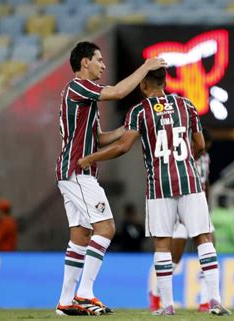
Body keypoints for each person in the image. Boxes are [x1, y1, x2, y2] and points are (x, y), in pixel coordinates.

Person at [77, 67, 231, 316]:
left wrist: (90, 158)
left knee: (162, 243)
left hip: (159, 185)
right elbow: (200, 144)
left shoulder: (139, 111)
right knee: (203, 238)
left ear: (143, 85)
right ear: (166, 81)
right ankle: (215, 300)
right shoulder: (186, 105)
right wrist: (185, 163)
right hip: (190, 181)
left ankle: (167, 305)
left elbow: (123, 146)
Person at [55, 41, 166, 316]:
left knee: (80, 236)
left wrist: (128, 128)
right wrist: (146, 66)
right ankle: (85, 292)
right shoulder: (78, 86)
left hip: (73, 172)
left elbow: (99, 138)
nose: (103, 65)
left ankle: (66, 301)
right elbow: (117, 92)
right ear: (84, 63)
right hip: (78, 171)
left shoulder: (86, 98)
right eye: (99, 60)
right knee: (105, 229)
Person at [149, 128, 214, 313]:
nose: (204, 148)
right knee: (175, 258)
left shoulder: (206, 158)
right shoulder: (181, 158)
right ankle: (156, 292)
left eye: (207, 145)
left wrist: (206, 208)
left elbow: (205, 183)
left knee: (209, 250)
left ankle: (205, 301)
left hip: (199, 208)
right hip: (181, 210)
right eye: (202, 144)